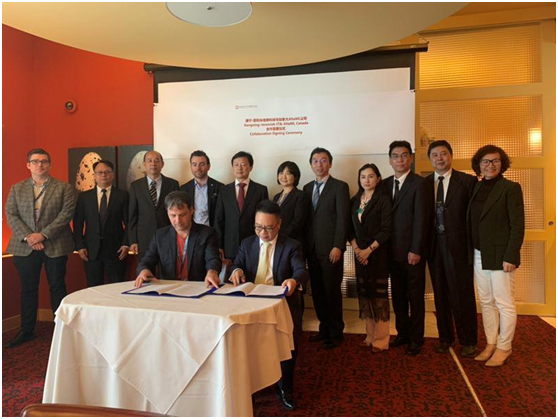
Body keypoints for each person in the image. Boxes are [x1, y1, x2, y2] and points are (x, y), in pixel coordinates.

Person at [229, 200, 308, 410]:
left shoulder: (291, 245)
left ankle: (285, 388)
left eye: (268, 228)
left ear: (279, 224)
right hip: (252, 303)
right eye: (258, 227)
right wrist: (236, 271)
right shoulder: (247, 243)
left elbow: (301, 270)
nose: (263, 233)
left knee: (288, 345)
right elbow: (237, 263)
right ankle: (251, 384)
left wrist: (293, 280)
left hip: (282, 303)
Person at [5, 148, 75, 348]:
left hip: (55, 245)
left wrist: (43, 235)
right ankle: (26, 330)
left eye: (44, 161)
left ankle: (61, 330)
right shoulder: (16, 189)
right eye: (35, 161)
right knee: (28, 289)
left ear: (49, 164)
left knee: (57, 287)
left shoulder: (64, 188)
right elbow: (10, 214)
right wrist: (30, 237)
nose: (39, 165)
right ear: (28, 165)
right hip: (24, 247)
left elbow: (65, 215)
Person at [468, 145, 525, 367]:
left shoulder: (510, 188)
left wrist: (511, 255)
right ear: (479, 164)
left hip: (501, 255)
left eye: (495, 161)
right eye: (485, 161)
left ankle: (504, 346)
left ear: (502, 164)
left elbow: (517, 225)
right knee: (486, 301)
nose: (490, 165)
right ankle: (491, 343)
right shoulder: (476, 187)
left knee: (504, 302)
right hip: (479, 252)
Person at [426, 140, 478, 357]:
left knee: (462, 294)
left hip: (458, 247)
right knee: (440, 294)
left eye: (443, 154)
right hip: (433, 246)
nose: (439, 158)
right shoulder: (424, 183)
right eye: (435, 155)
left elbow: (474, 217)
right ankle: (445, 337)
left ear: (451, 155)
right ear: (430, 159)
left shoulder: (467, 181)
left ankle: (468, 340)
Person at [385, 140, 431, 356]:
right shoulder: (384, 184)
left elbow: (422, 219)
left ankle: (416, 338)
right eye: (395, 156)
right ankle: (402, 333)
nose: (400, 160)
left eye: (404, 155)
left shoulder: (419, 184)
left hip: (412, 252)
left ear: (411, 158)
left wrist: (416, 249)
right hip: (391, 252)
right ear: (390, 160)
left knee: (415, 297)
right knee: (398, 296)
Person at [303, 147, 350, 349]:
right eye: (315, 160)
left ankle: (336, 332)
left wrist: (338, 246)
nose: (319, 164)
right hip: (312, 249)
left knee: (331, 292)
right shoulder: (306, 188)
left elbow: (343, 219)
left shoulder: (340, 187)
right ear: (311, 164)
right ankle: (324, 328)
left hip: (331, 250)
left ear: (330, 163)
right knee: (318, 292)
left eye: (323, 160)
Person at [135, 191, 221, 288]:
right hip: (169, 288)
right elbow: (147, 260)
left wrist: (212, 272)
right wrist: (144, 270)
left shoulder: (207, 233)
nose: (178, 220)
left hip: (197, 287)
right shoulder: (160, 235)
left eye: (182, 215)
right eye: (173, 215)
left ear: (192, 210)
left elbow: (212, 259)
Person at [348, 164, 392, 353]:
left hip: (377, 254)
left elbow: (386, 229)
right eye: (363, 177)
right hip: (360, 255)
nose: (366, 180)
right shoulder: (355, 200)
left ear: (378, 178)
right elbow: (349, 228)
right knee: (365, 295)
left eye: (371, 176)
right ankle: (369, 336)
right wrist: (358, 249)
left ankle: (381, 340)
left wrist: (368, 250)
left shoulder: (383, 199)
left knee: (378, 297)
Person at [73, 160, 129, 287]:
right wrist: (80, 246)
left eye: (107, 172)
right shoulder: (84, 197)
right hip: (91, 250)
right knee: (93, 287)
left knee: (117, 286)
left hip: (117, 250)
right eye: (99, 172)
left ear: (113, 175)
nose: (103, 175)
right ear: (94, 175)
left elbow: (129, 222)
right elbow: (78, 223)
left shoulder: (123, 195)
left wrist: (126, 243)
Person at [214, 151, 269, 260]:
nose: (239, 168)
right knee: (231, 271)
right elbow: (219, 219)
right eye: (236, 165)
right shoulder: (223, 190)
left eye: (243, 164)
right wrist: (219, 245)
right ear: (232, 167)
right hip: (230, 245)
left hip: (254, 243)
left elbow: (265, 219)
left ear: (251, 167)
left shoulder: (261, 190)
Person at [128, 150, 179, 262]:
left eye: (156, 160)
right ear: (144, 164)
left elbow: (177, 213)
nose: (153, 164)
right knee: (145, 270)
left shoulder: (173, 184)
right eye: (149, 161)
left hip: (167, 237)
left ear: (162, 164)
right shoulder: (136, 186)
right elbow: (132, 215)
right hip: (143, 239)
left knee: (167, 270)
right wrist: (133, 240)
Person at [179, 150, 223, 227]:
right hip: (191, 230)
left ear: (208, 166)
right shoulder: (184, 189)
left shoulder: (220, 188)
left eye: (202, 164)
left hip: (212, 230)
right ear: (191, 167)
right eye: (194, 164)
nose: (198, 168)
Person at [273, 161, 309, 249]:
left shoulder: (301, 195)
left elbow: (297, 222)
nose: (284, 177)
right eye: (281, 173)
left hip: (292, 241)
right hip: (276, 241)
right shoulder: (276, 197)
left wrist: (282, 236)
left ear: (295, 176)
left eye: (288, 173)